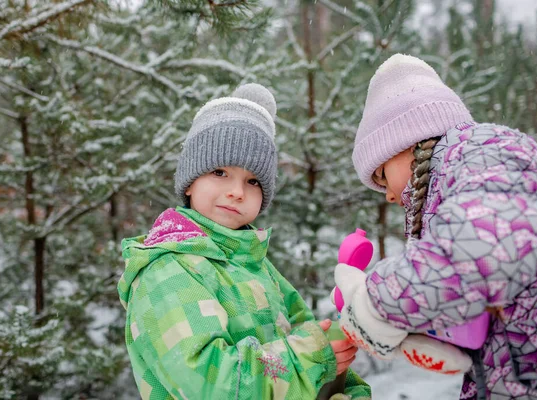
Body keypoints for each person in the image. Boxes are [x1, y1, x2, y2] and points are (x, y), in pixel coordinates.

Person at [117, 83, 371, 400]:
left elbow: (306, 335)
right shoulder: (166, 271)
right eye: (220, 172)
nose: (237, 191)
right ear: (189, 183)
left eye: (252, 181)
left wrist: (345, 386)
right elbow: (213, 386)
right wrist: (312, 357)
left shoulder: (256, 265)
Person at [334, 53, 537, 400]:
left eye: (381, 176)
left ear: (405, 144)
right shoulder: (469, 169)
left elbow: (481, 248)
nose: (388, 195)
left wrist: (378, 300)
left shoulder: (483, 151)